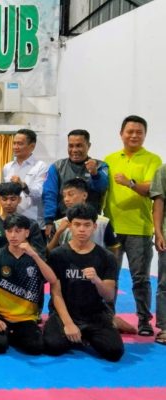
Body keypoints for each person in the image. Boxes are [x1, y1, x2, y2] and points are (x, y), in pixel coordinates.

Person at [104, 115, 162, 337]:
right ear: (121, 134)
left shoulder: (153, 159)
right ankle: (108, 318)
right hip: (112, 229)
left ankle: (144, 320)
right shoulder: (109, 159)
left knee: (141, 278)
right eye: (130, 131)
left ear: (145, 135)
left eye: (139, 132)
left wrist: (130, 183)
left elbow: (151, 188)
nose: (134, 135)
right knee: (110, 278)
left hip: (140, 229)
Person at [43, 204, 124, 361]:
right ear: (70, 226)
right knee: (51, 346)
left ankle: (88, 333)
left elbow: (108, 296)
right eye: (77, 224)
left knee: (114, 352)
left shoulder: (106, 257)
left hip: (94, 314)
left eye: (87, 225)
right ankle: (80, 335)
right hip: (65, 313)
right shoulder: (58, 255)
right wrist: (68, 324)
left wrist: (97, 280)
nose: (82, 229)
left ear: (94, 227)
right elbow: (56, 293)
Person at [0, 215, 59, 355]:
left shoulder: (34, 256)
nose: (13, 235)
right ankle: (5, 335)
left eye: (18, 231)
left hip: (26, 318)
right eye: (9, 231)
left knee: (36, 348)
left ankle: (13, 335)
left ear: (27, 233)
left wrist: (34, 255)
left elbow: (52, 279)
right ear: (5, 232)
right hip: (0, 315)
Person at [43, 129, 108, 237]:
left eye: (79, 146)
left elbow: (102, 188)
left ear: (88, 146)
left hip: (90, 224)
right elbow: (49, 194)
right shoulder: (57, 167)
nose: (74, 150)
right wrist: (49, 221)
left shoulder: (100, 166)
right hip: (63, 222)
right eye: (71, 146)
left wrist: (95, 174)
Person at [0, 182, 46, 258]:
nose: (8, 203)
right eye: (4, 199)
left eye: (13, 199)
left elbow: (41, 254)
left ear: (19, 200)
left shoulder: (31, 225)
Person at [2, 129, 48, 228]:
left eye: (20, 144)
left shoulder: (40, 166)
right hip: (11, 221)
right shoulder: (7, 167)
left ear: (32, 146)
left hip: (33, 221)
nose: (15, 147)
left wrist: (23, 185)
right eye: (14, 143)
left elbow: (39, 193)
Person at [151, 162, 166, 344]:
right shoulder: (163, 170)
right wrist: (158, 232)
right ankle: (165, 326)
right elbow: (159, 202)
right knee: (165, 283)